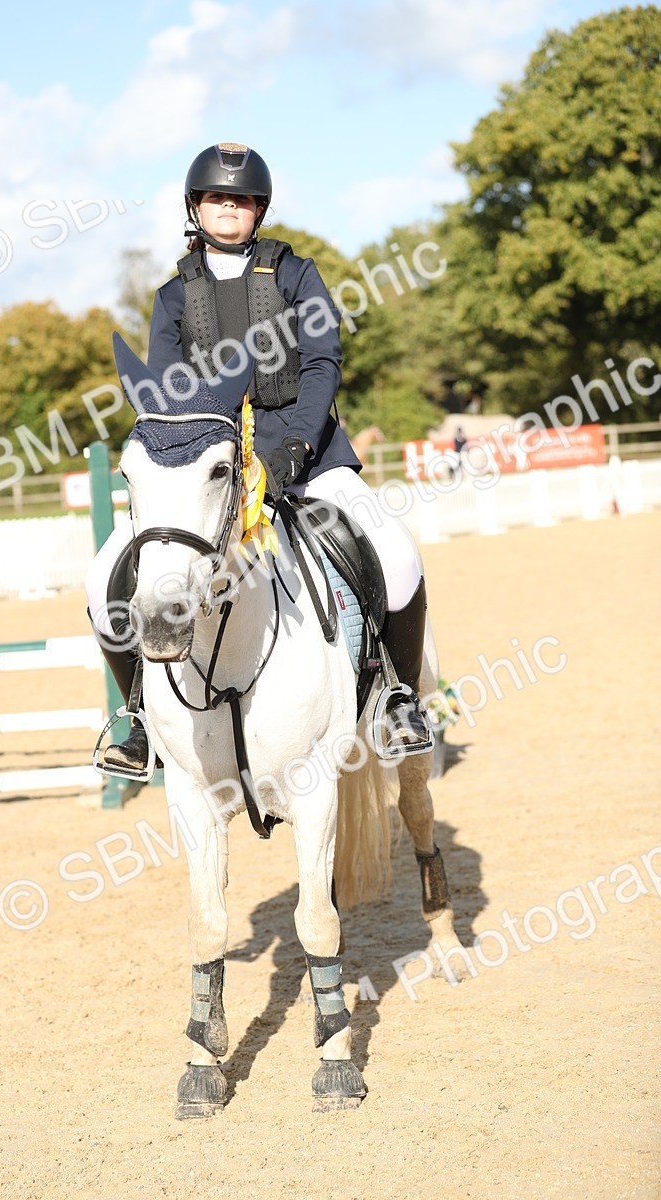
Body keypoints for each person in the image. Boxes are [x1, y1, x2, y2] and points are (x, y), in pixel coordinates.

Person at [86, 142, 433, 775]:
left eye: (241, 199)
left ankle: (398, 696)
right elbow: (166, 397)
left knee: (395, 548)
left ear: (258, 209)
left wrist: (296, 446)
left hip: (306, 448)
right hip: (211, 461)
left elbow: (324, 361)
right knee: (108, 571)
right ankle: (136, 715)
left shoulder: (296, 274)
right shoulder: (172, 296)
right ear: (196, 207)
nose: (229, 207)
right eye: (218, 197)